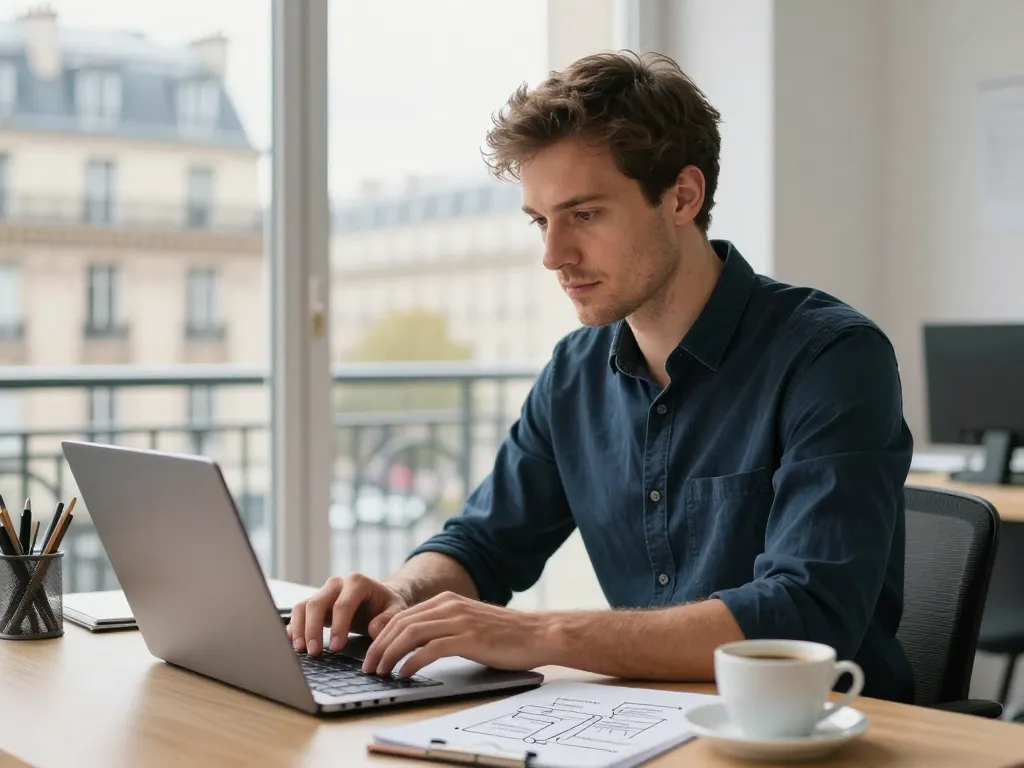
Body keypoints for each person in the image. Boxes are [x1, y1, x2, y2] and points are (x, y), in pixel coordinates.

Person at [289, 50, 915, 703]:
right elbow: (483, 543)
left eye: (584, 215)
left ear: (682, 196)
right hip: (647, 724)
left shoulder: (832, 358)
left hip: (819, 733)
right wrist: (404, 591)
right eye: (540, 220)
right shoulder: (574, 373)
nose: (553, 255)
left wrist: (545, 633)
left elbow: (805, 616)